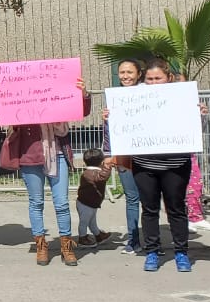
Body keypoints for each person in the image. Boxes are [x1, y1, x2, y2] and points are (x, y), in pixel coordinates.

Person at [6, 77, 92, 267]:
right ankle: (41, 246)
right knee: (36, 202)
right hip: (30, 155)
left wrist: (83, 94)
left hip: (58, 153)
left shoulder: (58, 99)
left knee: (61, 202)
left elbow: (82, 110)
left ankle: (66, 247)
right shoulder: (23, 100)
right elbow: (0, 111)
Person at [126, 59, 202, 273]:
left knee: (176, 208)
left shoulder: (182, 98)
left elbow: (194, 129)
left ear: (168, 78)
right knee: (149, 209)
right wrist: (110, 119)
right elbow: (124, 125)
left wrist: (199, 116)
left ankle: (181, 252)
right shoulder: (135, 98)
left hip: (175, 163)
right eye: (149, 79)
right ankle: (152, 251)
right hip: (144, 164)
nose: (153, 83)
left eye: (157, 78)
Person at [103, 59, 144, 254]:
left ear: (138, 74)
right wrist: (109, 153)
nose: (125, 76)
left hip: (148, 154)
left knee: (151, 200)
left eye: (129, 72)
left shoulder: (148, 93)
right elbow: (109, 131)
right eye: (122, 72)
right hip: (125, 155)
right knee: (131, 198)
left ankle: (154, 241)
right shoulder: (114, 97)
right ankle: (133, 240)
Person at [75, 148, 113, 247]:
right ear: (101, 162)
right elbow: (102, 177)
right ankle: (82, 238)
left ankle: (98, 236)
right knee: (84, 222)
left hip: (90, 203)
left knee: (92, 222)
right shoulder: (91, 173)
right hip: (86, 204)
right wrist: (107, 167)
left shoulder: (90, 172)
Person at [186, 155, 210, 232]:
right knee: (172, 187)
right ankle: (177, 222)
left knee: (194, 185)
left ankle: (194, 218)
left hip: (186, 151)